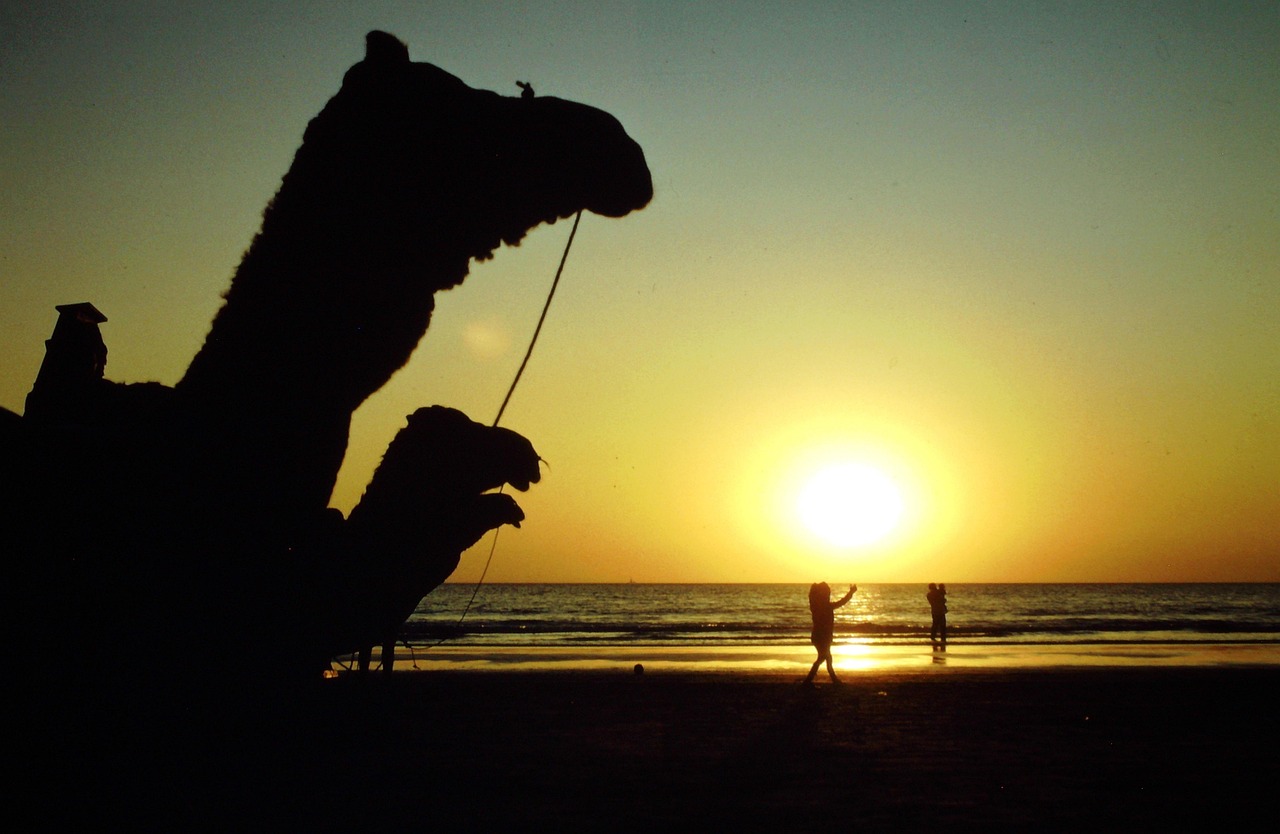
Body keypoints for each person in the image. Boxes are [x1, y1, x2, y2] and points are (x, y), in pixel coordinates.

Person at [804, 582, 857, 684]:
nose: (829, 594)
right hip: (821, 637)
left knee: (827, 657)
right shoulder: (825, 607)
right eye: (828, 593)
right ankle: (808, 681)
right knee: (823, 657)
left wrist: (851, 593)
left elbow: (841, 602)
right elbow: (842, 602)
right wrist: (851, 592)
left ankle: (833, 679)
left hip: (820, 637)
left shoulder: (815, 606)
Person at [926, 582, 948, 649]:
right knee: (942, 625)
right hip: (939, 610)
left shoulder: (929, 594)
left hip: (935, 610)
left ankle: (933, 637)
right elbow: (942, 599)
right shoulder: (936, 593)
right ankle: (942, 638)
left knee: (935, 624)